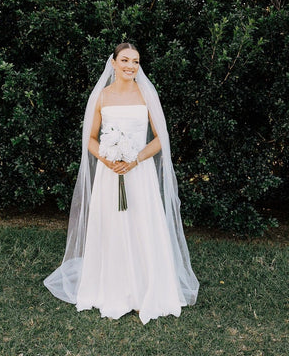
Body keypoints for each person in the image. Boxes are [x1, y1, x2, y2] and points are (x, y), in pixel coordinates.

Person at [44, 43, 199, 325]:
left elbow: (161, 139)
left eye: (136, 62)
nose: (130, 66)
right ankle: (113, 289)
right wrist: (106, 158)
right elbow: (90, 138)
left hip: (140, 174)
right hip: (110, 172)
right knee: (113, 228)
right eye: (125, 60)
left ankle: (144, 293)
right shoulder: (102, 97)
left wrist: (135, 159)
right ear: (113, 63)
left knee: (142, 227)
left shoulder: (146, 95)